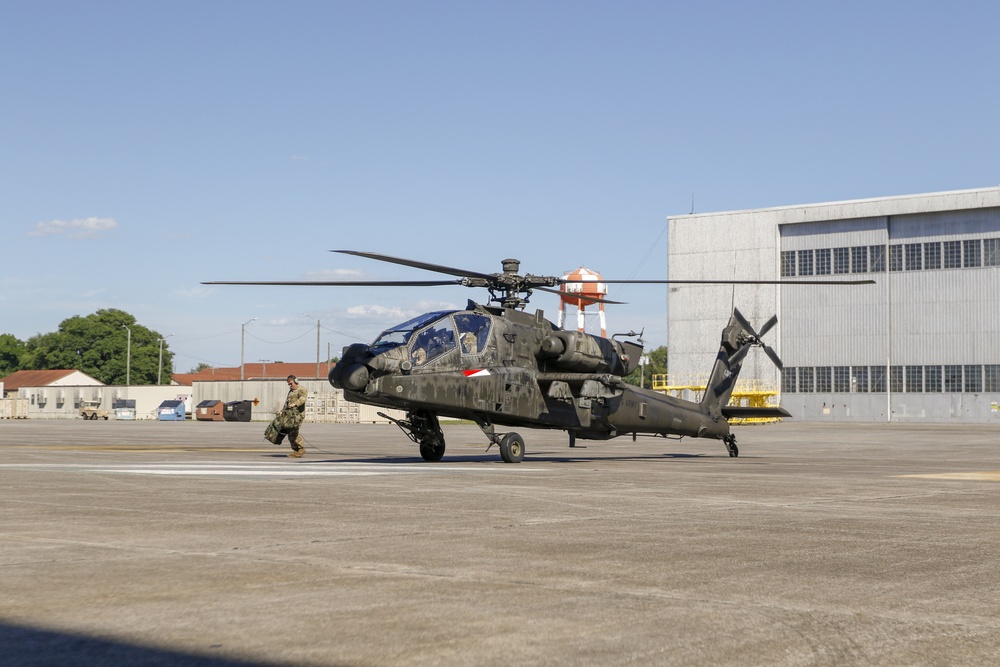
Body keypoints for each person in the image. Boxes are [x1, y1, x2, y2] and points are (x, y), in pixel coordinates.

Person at [278, 375, 308, 458]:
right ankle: (295, 449)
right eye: (289, 384)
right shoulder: (291, 391)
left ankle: (301, 449)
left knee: (294, 431)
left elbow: (303, 399)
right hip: (290, 415)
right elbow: (287, 402)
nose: (290, 385)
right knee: (290, 433)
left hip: (298, 415)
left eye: (291, 383)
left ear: (296, 381)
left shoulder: (301, 389)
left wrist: (295, 404)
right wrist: (282, 411)